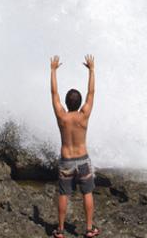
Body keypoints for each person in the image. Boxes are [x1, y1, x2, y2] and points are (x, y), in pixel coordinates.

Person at [50, 53, 98, 238]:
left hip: (66, 161)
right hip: (83, 159)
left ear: (67, 102)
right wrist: (92, 70)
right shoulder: (83, 115)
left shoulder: (62, 116)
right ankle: (89, 229)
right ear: (79, 103)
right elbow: (91, 93)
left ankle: (60, 230)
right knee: (87, 192)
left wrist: (53, 71)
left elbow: (54, 94)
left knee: (64, 194)